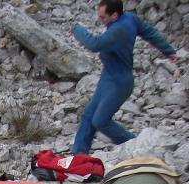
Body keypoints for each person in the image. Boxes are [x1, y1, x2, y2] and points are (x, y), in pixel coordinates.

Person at [71, 0, 176, 154]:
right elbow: (150, 32)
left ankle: (137, 146)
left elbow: (94, 44)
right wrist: (168, 50)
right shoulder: (129, 18)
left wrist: (76, 29)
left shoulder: (119, 30)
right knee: (88, 115)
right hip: (108, 76)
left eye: (103, 17)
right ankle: (78, 156)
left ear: (114, 14)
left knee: (100, 120)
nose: (100, 21)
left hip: (120, 83)